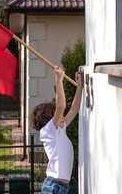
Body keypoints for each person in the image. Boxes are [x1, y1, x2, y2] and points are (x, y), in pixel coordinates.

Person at [29, 66, 83, 194]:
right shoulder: (48, 131)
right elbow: (61, 106)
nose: (63, 117)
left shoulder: (59, 130)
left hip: (59, 187)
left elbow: (74, 109)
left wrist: (80, 86)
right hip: (55, 186)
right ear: (50, 119)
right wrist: (59, 80)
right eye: (59, 115)